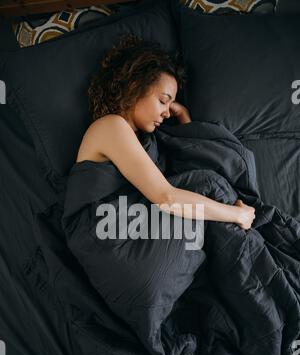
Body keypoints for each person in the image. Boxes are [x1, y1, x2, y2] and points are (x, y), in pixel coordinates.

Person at [76, 34, 255, 230]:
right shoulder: (111, 126)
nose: (167, 112)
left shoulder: (145, 139)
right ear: (135, 86)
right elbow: (167, 198)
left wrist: (184, 115)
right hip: (110, 229)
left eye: (171, 104)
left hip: (142, 223)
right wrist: (237, 215)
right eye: (163, 100)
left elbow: (191, 164)